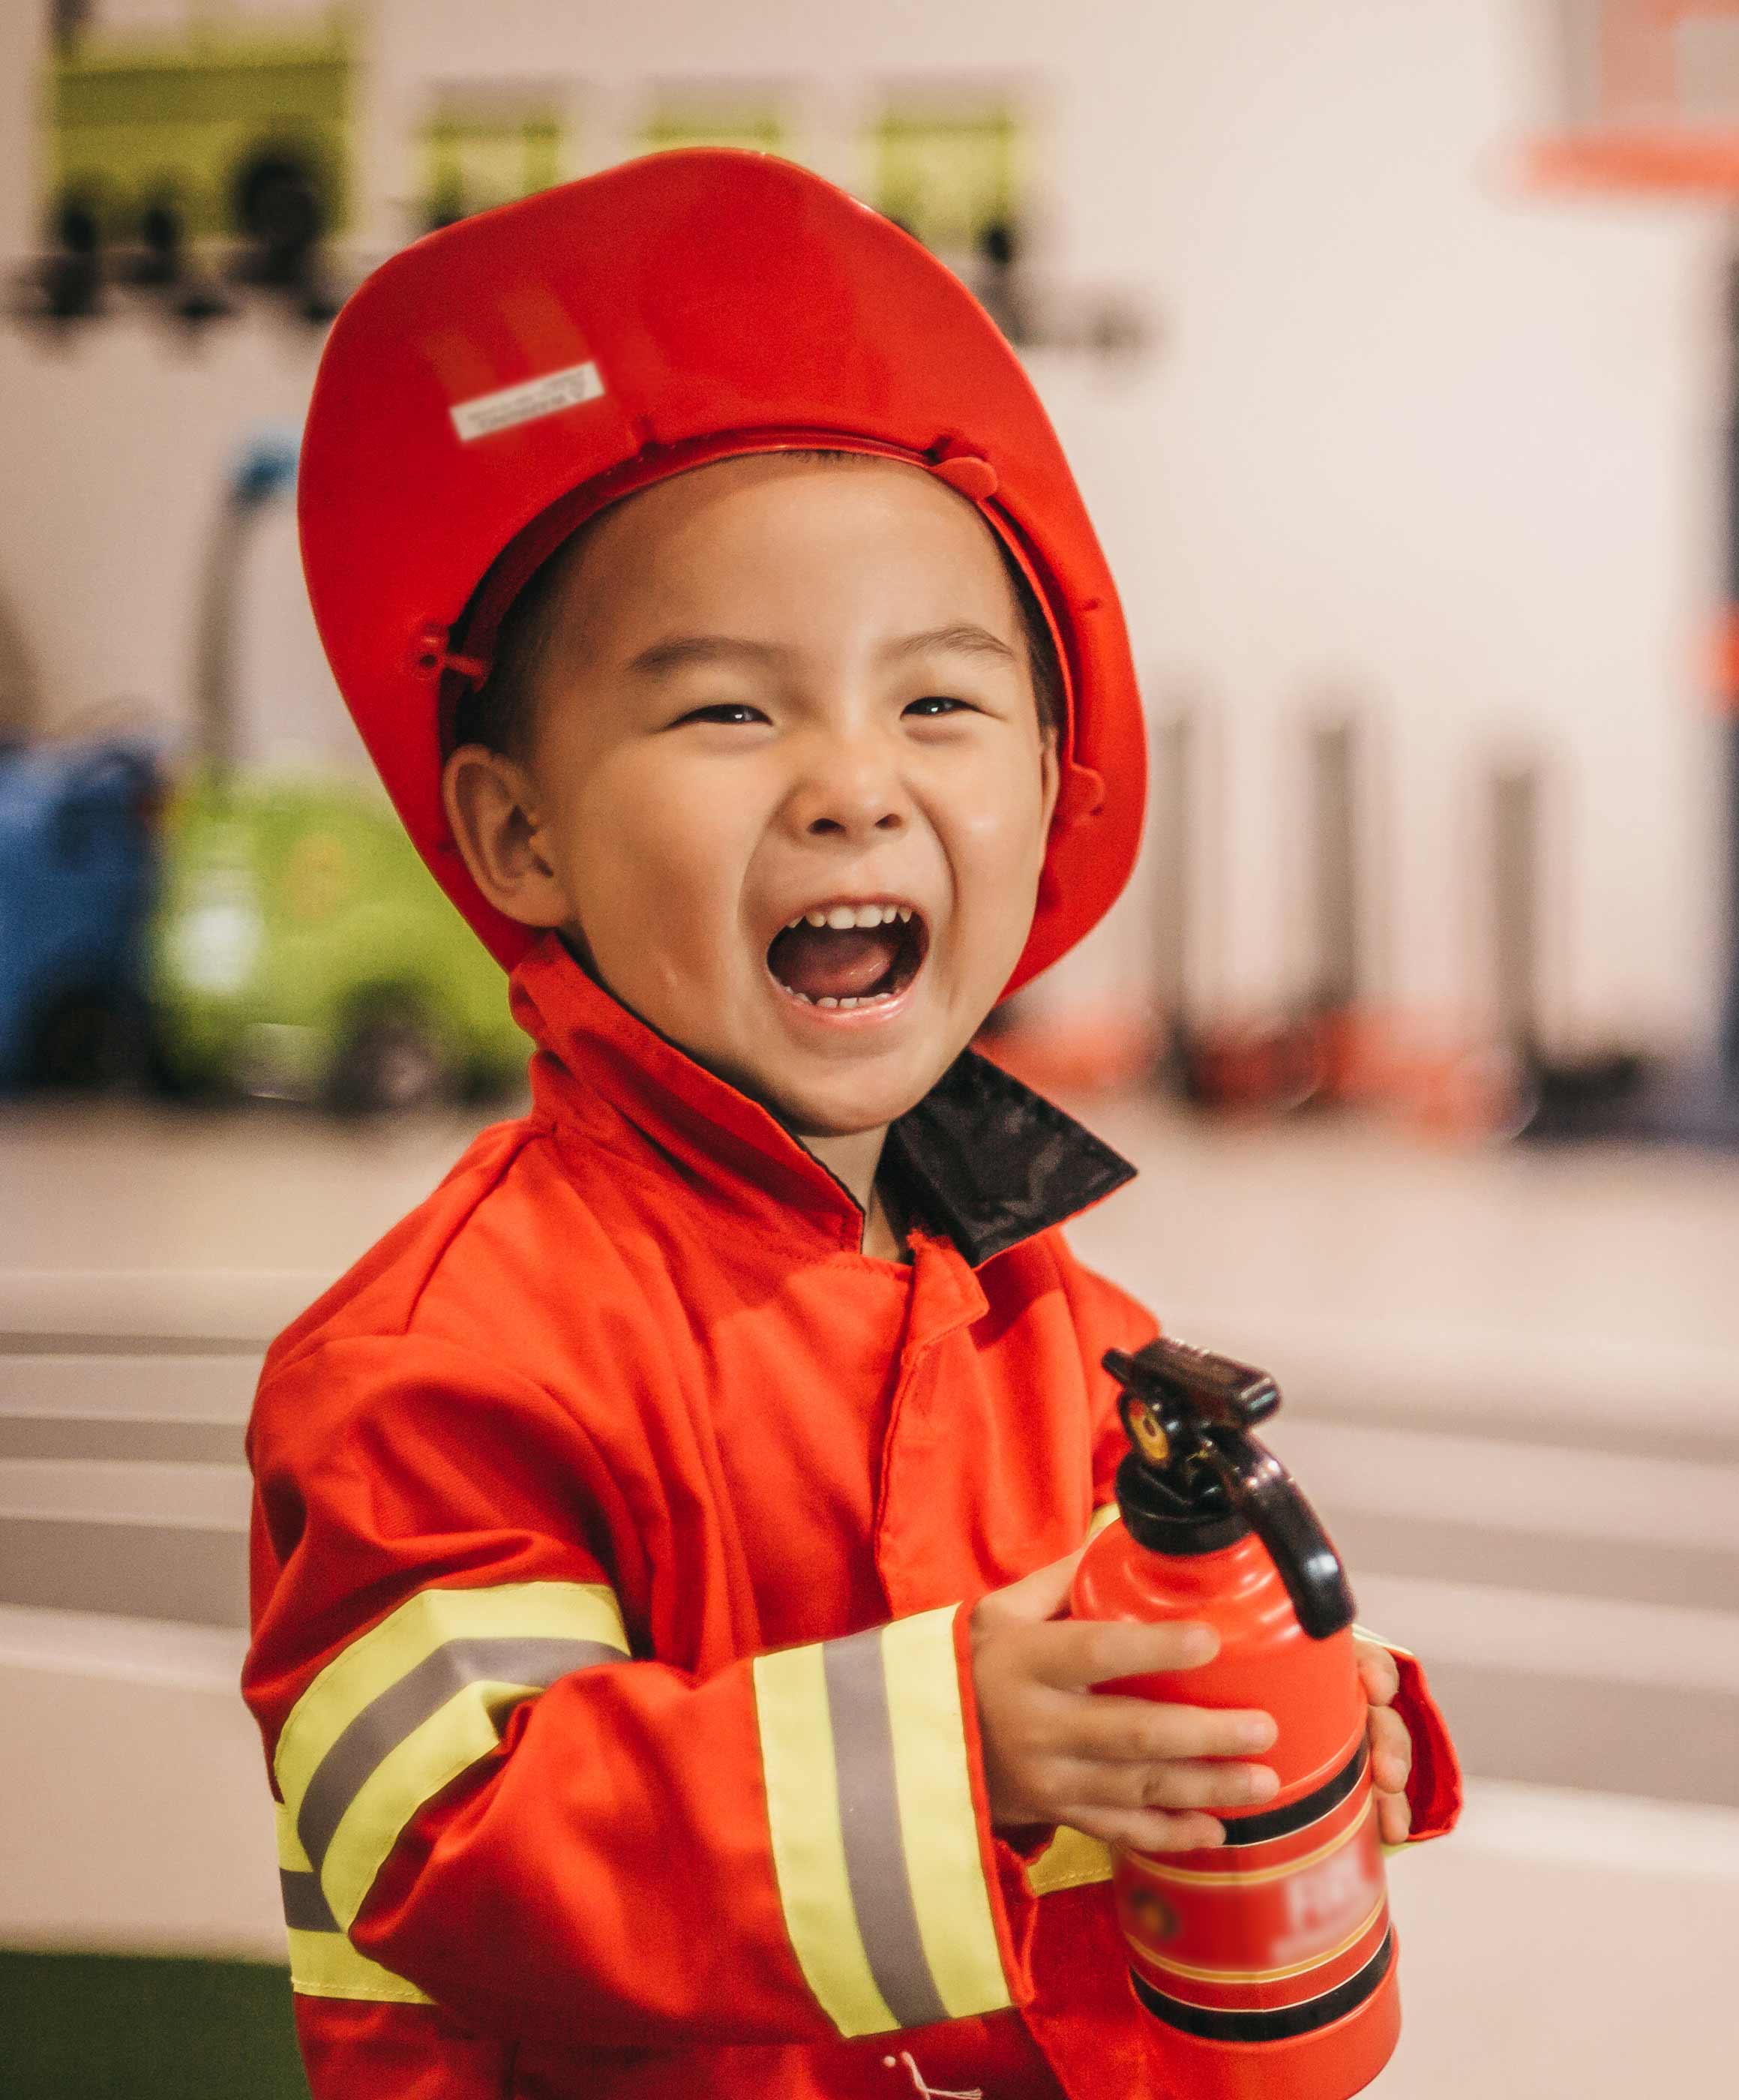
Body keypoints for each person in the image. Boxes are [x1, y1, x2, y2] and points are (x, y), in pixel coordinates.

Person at [241, 150, 1459, 2100]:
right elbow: (448, 1834)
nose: (851, 789)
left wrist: (1287, 1730)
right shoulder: (434, 1373)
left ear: (1048, 780)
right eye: (730, 715)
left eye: (941, 708)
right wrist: (960, 1742)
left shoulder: (1078, 1332)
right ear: (516, 833)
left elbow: (1110, 1819)